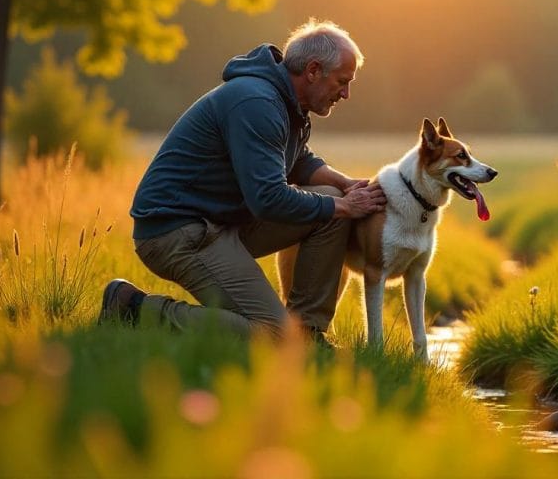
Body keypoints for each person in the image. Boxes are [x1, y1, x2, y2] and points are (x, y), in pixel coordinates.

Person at [98, 19, 386, 341]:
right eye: (342, 81)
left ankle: (308, 334)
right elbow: (268, 198)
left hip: (223, 220)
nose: (346, 94)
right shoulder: (257, 103)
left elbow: (298, 160)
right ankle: (132, 308)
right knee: (275, 335)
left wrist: (345, 185)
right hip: (178, 230)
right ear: (313, 70)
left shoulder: (286, 101)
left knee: (332, 200)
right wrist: (343, 206)